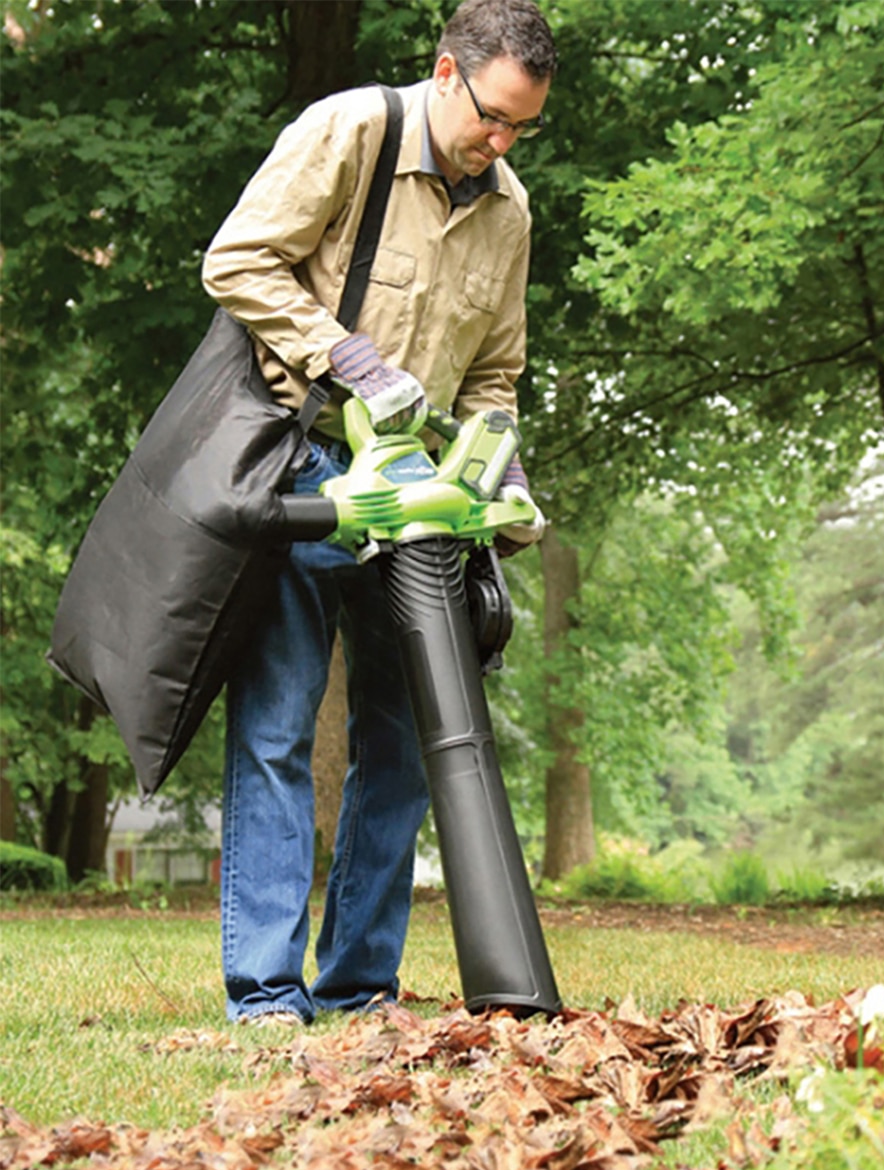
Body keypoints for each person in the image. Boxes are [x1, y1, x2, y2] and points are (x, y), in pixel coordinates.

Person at [201, 0, 557, 1025]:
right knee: (275, 726)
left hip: (422, 501)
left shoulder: (508, 211)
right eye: (490, 116)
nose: (499, 142)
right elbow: (237, 260)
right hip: (306, 466)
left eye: (520, 128)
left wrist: (502, 470)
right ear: (448, 72)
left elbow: (496, 372)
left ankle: (357, 986)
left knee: (403, 740)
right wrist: (348, 355)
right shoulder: (352, 131)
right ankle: (266, 992)